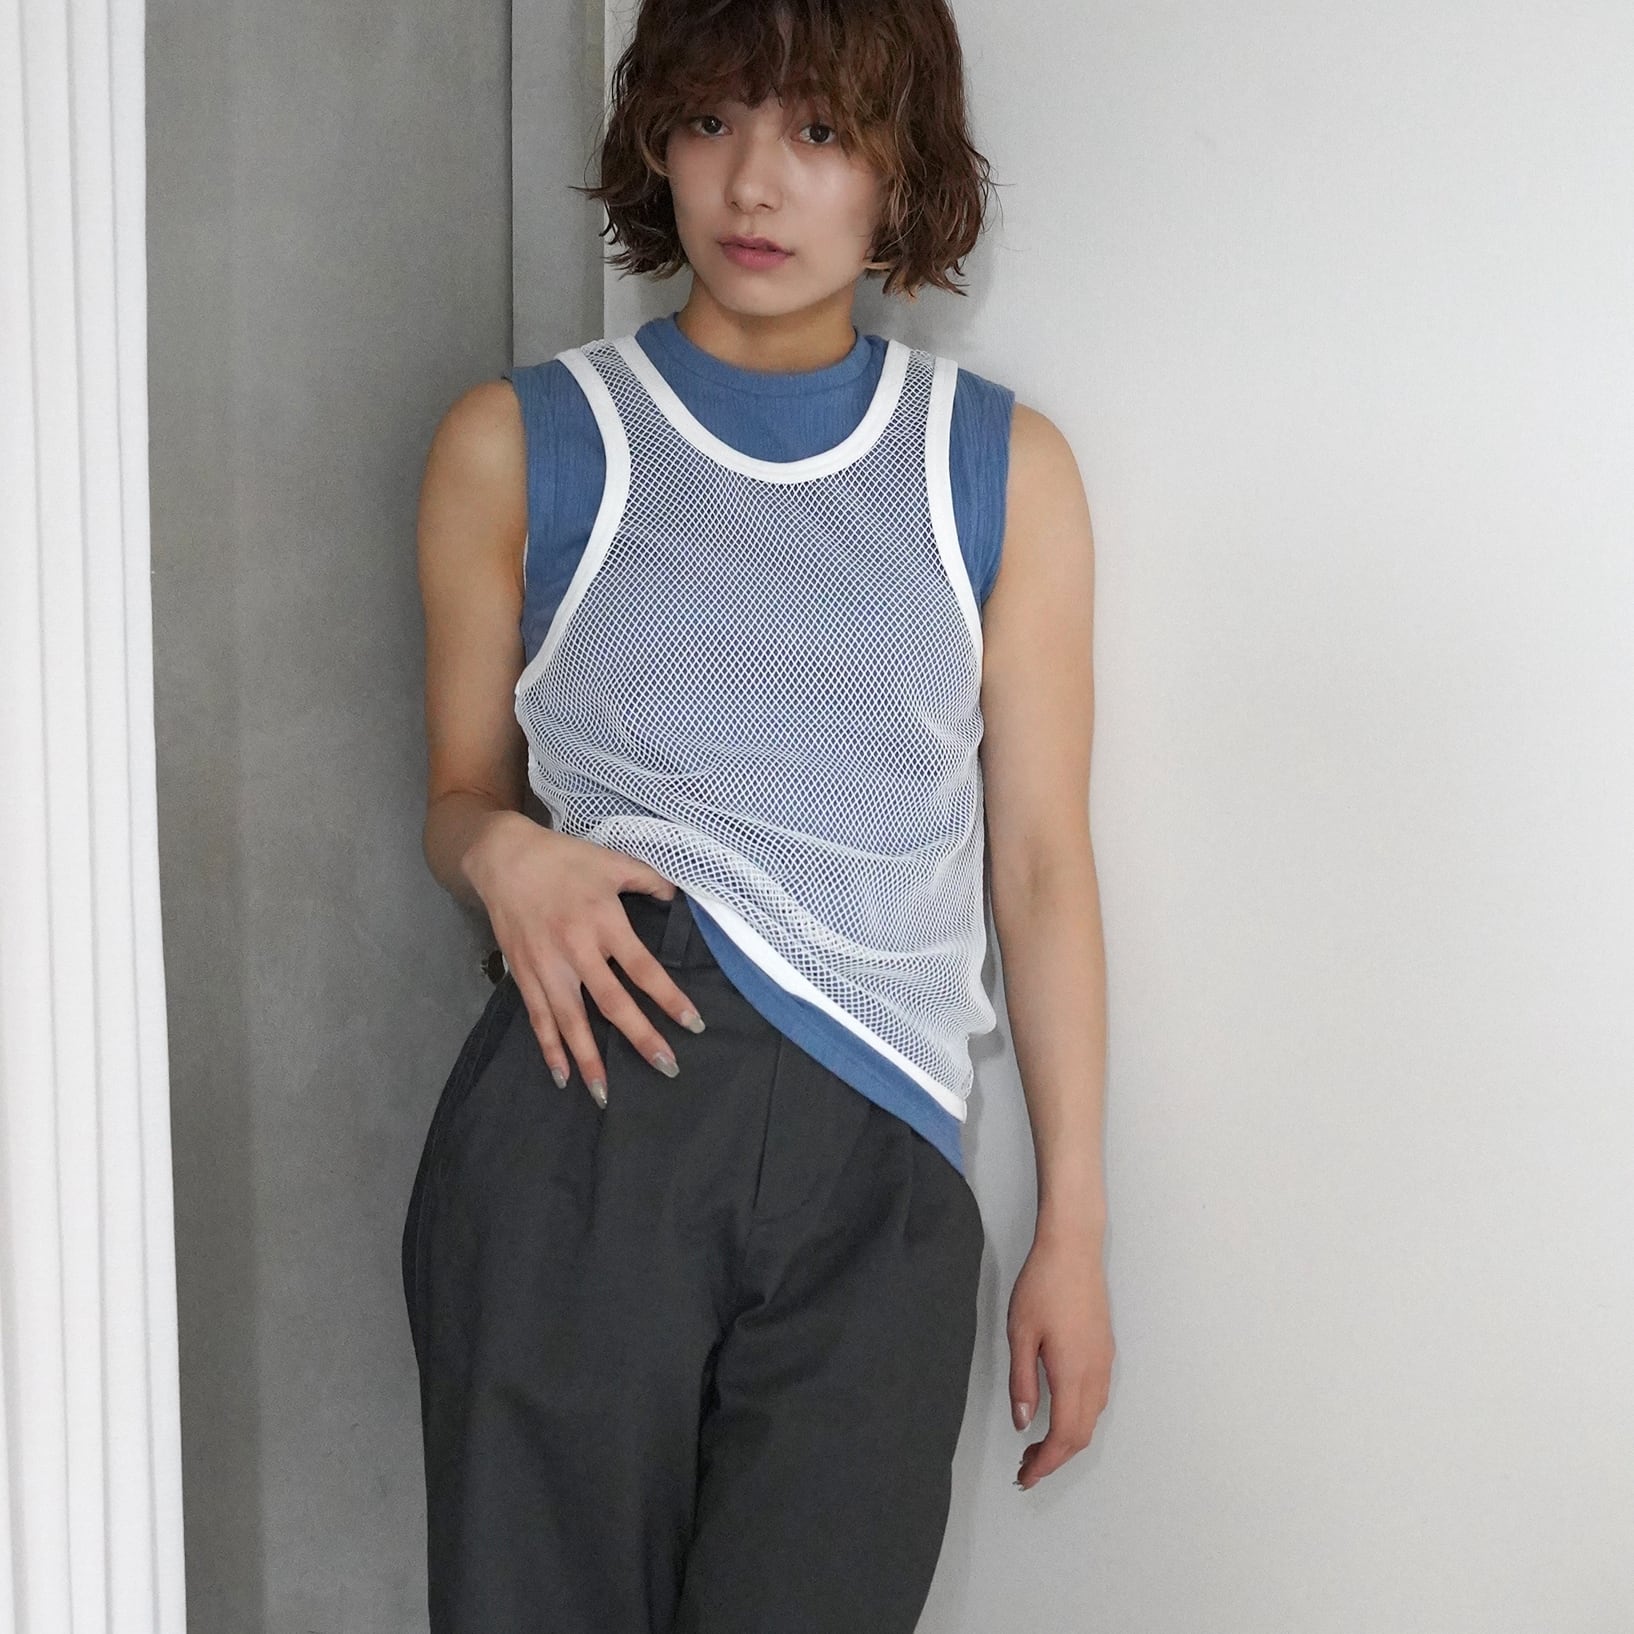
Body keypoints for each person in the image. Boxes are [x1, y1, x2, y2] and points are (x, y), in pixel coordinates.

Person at [400, 0, 1112, 1628]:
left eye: (819, 132)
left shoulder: (998, 468)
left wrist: (1068, 1222)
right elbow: (455, 796)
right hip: (591, 1100)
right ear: (656, 140)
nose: (754, 184)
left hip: (880, 1147)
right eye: (711, 121)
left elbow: (1040, 866)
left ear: (897, 168)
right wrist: (496, 849)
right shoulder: (520, 440)